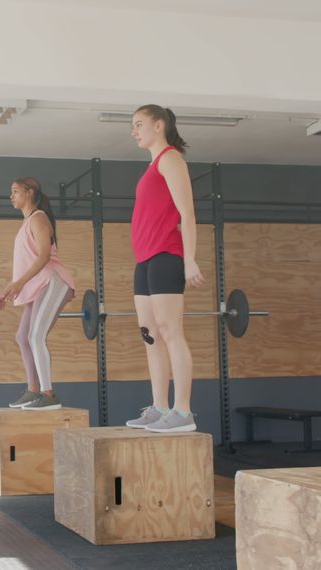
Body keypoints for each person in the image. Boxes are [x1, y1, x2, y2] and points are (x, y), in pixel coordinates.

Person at [122, 105, 206, 434]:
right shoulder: (152, 167)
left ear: (159, 125)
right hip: (144, 259)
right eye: (133, 125)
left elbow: (187, 213)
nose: (134, 130)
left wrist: (189, 259)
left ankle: (182, 410)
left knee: (171, 332)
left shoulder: (170, 159)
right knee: (150, 335)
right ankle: (159, 407)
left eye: (139, 124)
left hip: (167, 255)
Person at [0, 177, 77, 411]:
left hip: (53, 282)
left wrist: (19, 284)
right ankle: (33, 390)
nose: (11, 196)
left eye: (15, 191)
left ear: (30, 193)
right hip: (38, 285)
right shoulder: (26, 223)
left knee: (35, 336)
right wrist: (8, 289)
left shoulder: (39, 218)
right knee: (22, 337)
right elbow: (25, 264)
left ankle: (48, 393)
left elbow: (43, 257)